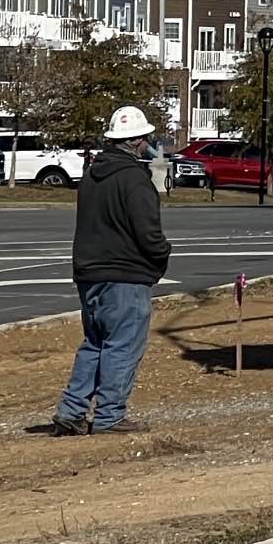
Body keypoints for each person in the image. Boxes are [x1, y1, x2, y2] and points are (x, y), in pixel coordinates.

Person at [51, 104, 171, 434]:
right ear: (135, 141)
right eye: (146, 137)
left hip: (89, 273)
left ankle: (72, 410)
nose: (149, 143)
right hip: (126, 274)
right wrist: (161, 257)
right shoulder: (135, 179)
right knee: (122, 345)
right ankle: (109, 416)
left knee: (95, 342)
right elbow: (149, 232)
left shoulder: (91, 175)